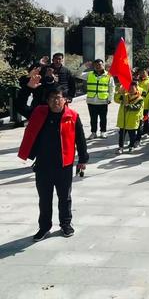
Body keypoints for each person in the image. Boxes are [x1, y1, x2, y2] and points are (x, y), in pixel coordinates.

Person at [16, 75, 88, 241]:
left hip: (64, 165)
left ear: (65, 100)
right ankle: (44, 227)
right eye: (52, 98)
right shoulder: (39, 113)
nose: (56, 101)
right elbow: (19, 106)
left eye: (59, 98)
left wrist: (83, 159)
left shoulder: (73, 116)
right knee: (45, 199)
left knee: (65, 197)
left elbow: (81, 139)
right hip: (43, 166)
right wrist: (28, 88)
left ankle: (65, 224)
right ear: (47, 101)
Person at [80, 59, 115, 139]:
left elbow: (112, 88)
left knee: (103, 118)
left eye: (100, 65)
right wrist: (84, 67)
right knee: (93, 118)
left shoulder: (108, 75)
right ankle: (93, 132)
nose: (98, 66)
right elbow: (77, 74)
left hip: (103, 100)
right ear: (94, 66)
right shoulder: (89, 74)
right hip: (91, 101)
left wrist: (110, 98)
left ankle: (103, 132)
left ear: (103, 65)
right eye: (96, 65)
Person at [114, 81, 144, 154]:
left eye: (132, 88)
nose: (130, 90)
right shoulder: (124, 95)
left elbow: (137, 108)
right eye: (129, 88)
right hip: (123, 119)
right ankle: (120, 147)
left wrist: (128, 106)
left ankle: (131, 146)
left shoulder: (140, 99)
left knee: (132, 135)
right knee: (122, 135)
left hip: (132, 120)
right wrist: (119, 92)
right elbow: (116, 100)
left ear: (136, 88)